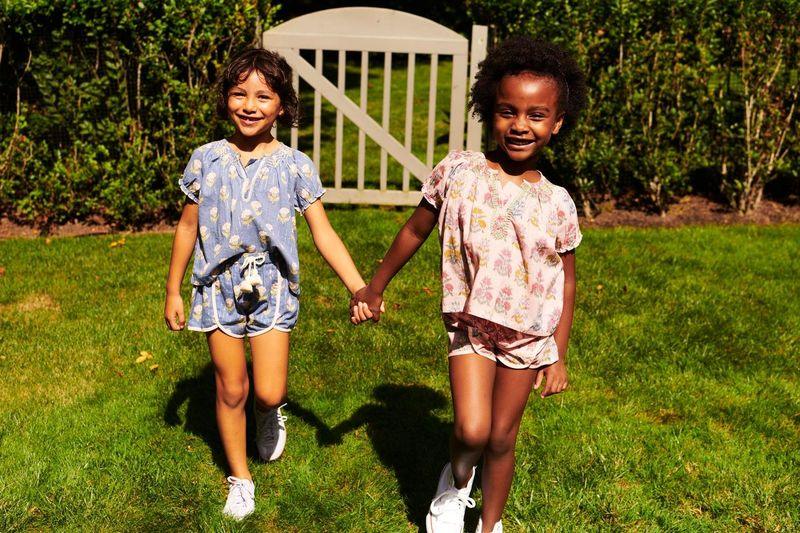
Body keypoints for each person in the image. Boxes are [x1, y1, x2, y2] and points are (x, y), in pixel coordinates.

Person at [351, 37, 587, 533]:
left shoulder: (558, 202)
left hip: (529, 335)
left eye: (536, 115)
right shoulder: (459, 171)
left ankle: (489, 524)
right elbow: (416, 229)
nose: (520, 125)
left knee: (502, 436)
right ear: (489, 110)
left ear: (557, 123)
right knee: (472, 428)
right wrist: (374, 286)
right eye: (508, 111)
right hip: (472, 324)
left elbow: (565, 283)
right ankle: (456, 485)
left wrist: (558, 353)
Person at [164, 48, 369, 520]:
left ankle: (266, 414)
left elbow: (323, 233)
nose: (249, 105)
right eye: (239, 94)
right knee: (230, 387)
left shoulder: (296, 165)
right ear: (226, 100)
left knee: (269, 391)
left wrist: (358, 287)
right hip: (216, 288)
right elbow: (187, 228)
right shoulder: (206, 159)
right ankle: (240, 478)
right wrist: (174, 289)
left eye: (263, 95)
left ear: (282, 105)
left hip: (273, 287)